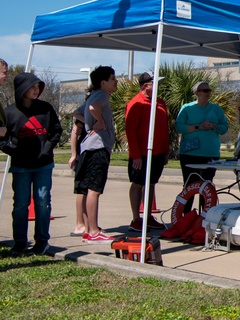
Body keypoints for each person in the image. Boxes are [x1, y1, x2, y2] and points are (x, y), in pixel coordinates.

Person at [2, 72, 62, 255]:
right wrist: (15, 151)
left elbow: (56, 131)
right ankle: (20, 242)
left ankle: (42, 241)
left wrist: (47, 148)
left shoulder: (46, 108)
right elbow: (2, 139)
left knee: (43, 203)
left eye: (38, 87)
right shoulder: (10, 113)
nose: (36, 90)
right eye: (32, 87)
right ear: (21, 89)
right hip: (20, 167)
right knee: (20, 204)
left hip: (44, 165)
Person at [124, 73, 169, 232]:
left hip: (158, 152)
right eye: (154, 83)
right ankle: (136, 218)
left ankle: (148, 216)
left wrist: (165, 150)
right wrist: (136, 155)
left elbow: (164, 129)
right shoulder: (135, 103)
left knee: (151, 184)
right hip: (141, 153)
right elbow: (131, 131)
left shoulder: (160, 103)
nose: (158, 86)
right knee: (138, 184)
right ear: (145, 85)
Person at [78, 65, 118, 244]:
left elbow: (77, 113)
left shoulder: (92, 96)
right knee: (95, 189)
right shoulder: (101, 95)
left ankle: (88, 230)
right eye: (112, 78)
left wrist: (89, 123)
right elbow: (94, 108)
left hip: (87, 148)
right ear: (103, 83)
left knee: (88, 190)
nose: (116, 82)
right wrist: (99, 122)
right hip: (98, 148)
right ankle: (94, 231)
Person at [176, 81, 229, 211]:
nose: (208, 93)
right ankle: (185, 217)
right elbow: (178, 127)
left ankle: (204, 217)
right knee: (190, 185)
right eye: (205, 90)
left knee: (207, 185)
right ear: (196, 93)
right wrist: (199, 127)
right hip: (190, 154)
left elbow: (224, 128)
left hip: (210, 154)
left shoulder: (216, 109)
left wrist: (214, 126)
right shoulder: (187, 108)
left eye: (209, 90)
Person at [67, 104, 88, 236]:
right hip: (82, 154)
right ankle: (79, 224)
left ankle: (88, 223)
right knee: (81, 189)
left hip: (91, 154)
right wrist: (74, 155)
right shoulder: (85, 113)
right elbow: (75, 132)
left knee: (88, 190)